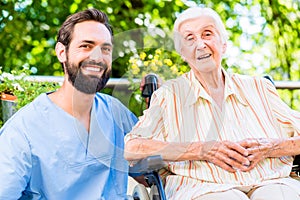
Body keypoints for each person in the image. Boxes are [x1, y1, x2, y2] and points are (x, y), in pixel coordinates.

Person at [124, 7, 300, 200]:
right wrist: (201, 150)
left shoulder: (259, 87)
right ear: (182, 52)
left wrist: (271, 147)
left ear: (223, 44)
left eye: (207, 34)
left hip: (272, 181)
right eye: (189, 38)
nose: (200, 45)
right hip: (202, 188)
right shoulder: (169, 96)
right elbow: (132, 148)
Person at [0, 8, 138, 199]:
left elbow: (150, 169)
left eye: (105, 49)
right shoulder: (22, 131)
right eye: (86, 46)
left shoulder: (116, 113)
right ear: (61, 52)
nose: (97, 57)